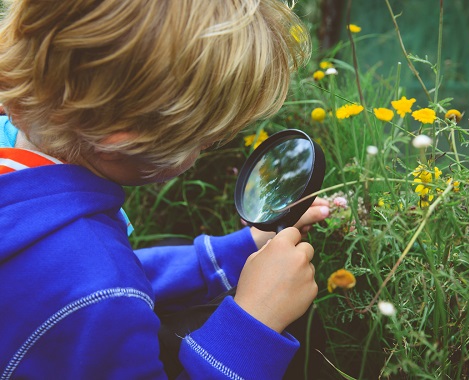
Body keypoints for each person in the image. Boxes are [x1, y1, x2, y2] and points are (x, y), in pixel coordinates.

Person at [0, 1, 330, 379]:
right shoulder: (99, 295)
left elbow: (70, 277)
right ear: (123, 139)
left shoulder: (20, 171)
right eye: (207, 141)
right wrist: (254, 324)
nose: (206, 149)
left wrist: (234, 253)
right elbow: (97, 289)